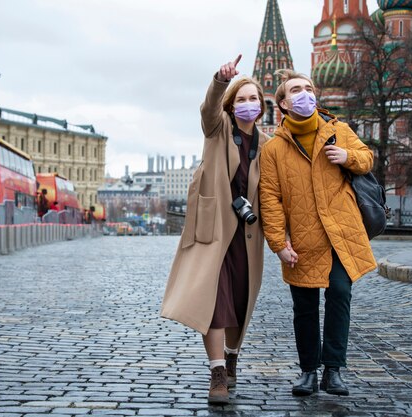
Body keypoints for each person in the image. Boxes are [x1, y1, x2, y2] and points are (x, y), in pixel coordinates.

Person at [259, 69, 377, 397]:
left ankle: (334, 370)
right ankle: (308, 371)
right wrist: (278, 242)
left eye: (308, 88)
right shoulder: (273, 149)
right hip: (302, 236)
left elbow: (367, 158)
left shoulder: (338, 130)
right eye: (296, 90)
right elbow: (269, 198)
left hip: (341, 232)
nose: (304, 94)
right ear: (282, 103)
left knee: (340, 294)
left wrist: (348, 156)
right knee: (305, 305)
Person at [161, 55, 269, 405]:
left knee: (240, 298)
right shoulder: (219, 127)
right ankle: (218, 372)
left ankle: (232, 353)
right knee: (216, 298)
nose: (248, 105)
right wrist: (220, 81)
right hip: (214, 227)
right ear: (231, 104)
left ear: (263, 106)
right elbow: (208, 109)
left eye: (254, 99)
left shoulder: (268, 144)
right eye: (241, 99)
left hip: (248, 233)